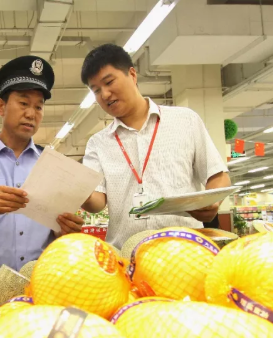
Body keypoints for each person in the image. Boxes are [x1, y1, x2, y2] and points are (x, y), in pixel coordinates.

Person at [0, 56, 84, 296]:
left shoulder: (53, 164)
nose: (31, 114)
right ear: (1, 106)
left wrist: (65, 230)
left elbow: (57, 232)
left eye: (38, 107)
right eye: (23, 103)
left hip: (42, 281)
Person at [80, 44, 231, 249]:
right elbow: (97, 202)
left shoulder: (185, 120)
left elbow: (218, 175)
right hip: (126, 255)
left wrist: (212, 201)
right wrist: (76, 190)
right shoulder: (98, 143)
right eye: (96, 90)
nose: (105, 94)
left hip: (185, 250)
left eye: (109, 82)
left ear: (132, 75)